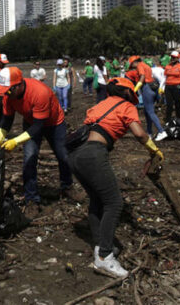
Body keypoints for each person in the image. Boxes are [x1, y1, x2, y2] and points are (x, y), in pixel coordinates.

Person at [68, 77, 164, 278]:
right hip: (94, 153)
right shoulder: (127, 106)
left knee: (97, 200)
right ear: (127, 93)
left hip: (76, 156)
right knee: (114, 203)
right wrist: (154, 149)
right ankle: (104, 257)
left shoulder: (101, 104)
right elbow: (138, 133)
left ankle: (100, 246)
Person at [0, 66, 74, 216]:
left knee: (63, 155)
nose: (6, 93)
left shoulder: (40, 93)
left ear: (19, 85)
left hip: (53, 124)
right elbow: (6, 120)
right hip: (31, 122)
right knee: (29, 159)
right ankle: (31, 199)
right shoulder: (8, 95)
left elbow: (39, 126)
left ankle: (67, 187)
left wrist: (15, 141)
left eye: (9, 90)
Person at [128, 55, 165, 140]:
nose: (132, 67)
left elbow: (142, 76)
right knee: (146, 112)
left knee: (150, 112)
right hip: (152, 88)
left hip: (147, 88)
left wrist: (137, 87)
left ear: (134, 62)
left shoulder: (140, 66)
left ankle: (161, 131)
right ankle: (149, 133)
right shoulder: (146, 65)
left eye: (131, 65)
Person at [159, 51, 180, 123]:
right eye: (171, 57)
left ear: (178, 58)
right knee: (169, 104)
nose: (172, 58)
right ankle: (168, 120)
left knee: (178, 103)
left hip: (177, 86)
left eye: (174, 57)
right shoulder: (167, 66)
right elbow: (164, 77)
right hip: (168, 86)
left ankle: (179, 118)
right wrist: (161, 87)